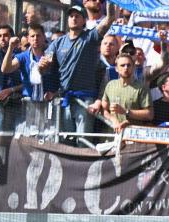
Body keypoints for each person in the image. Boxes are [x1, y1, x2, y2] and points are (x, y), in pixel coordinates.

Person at [38, 2, 116, 134]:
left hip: (85, 101)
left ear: (84, 20)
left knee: (83, 141)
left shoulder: (90, 37)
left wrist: (110, 2)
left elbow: (109, 19)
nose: (74, 18)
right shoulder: (58, 43)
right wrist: (42, 66)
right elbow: (45, 67)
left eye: (77, 16)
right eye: (71, 16)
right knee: (65, 140)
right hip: (65, 99)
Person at [100, 52, 152, 131]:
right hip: (111, 134)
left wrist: (126, 112)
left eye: (128, 65)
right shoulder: (110, 85)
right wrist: (114, 120)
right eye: (122, 65)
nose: (126, 68)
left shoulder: (142, 87)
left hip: (133, 134)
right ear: (116, 69)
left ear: (134, 67)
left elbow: (149, 114)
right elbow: (104, 110)